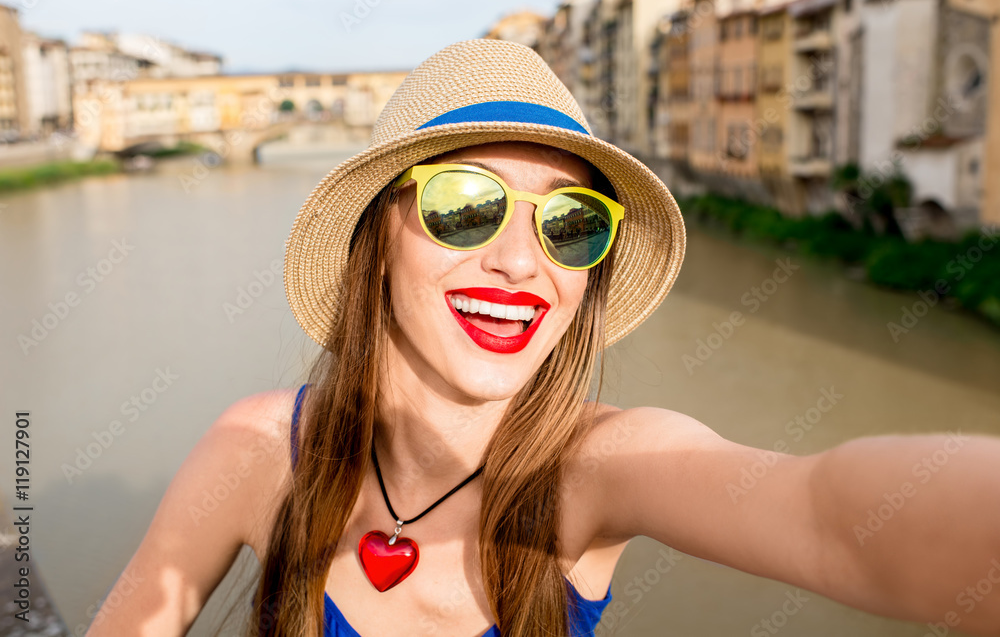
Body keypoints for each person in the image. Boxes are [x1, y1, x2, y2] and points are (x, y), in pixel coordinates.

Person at [87, 39, 1000, 637]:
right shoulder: (261, 450)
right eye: (467, 208)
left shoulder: (599, 465)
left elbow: (832, 518)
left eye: (570, 223)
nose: (524, 263)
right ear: (375, 247)